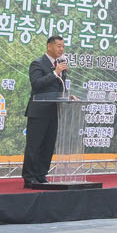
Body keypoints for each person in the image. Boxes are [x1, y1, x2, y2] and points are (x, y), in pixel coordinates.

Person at [21, 34, 70, 189]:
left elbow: (60, 87)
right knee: (34, 146)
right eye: (58, 46)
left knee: (48, 146)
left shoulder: (60, 65)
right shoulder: (37, 63)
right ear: (49, 46)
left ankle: (41, 175)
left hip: (54, 111)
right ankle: (30, 178)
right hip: (38, 112)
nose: (61, 49)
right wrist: (55, 73)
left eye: (63, 46)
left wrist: (67, 96)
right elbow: (36, 84)